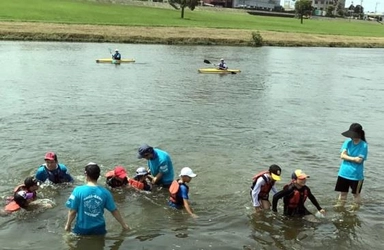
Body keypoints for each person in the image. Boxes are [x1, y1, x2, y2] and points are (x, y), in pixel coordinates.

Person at [65, 162, 129, 235]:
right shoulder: (106, 193)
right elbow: (114, 211)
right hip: (99, 228)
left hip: (82, 228)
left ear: (86, 174)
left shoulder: (78, 191)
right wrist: (124, 225)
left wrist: (68, 225)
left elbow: (73, 211)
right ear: (99, 175)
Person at [335, 123, 368, 208]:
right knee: (342, 194)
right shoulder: (347, 142)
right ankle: (340, 209)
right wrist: (353, 158)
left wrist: (348, 157)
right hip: (343, 173)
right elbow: (342, 156)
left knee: (356, 195)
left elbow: (359, 160)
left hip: (356, 175)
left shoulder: (363, 145)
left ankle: (354, 211)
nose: (353, 137)